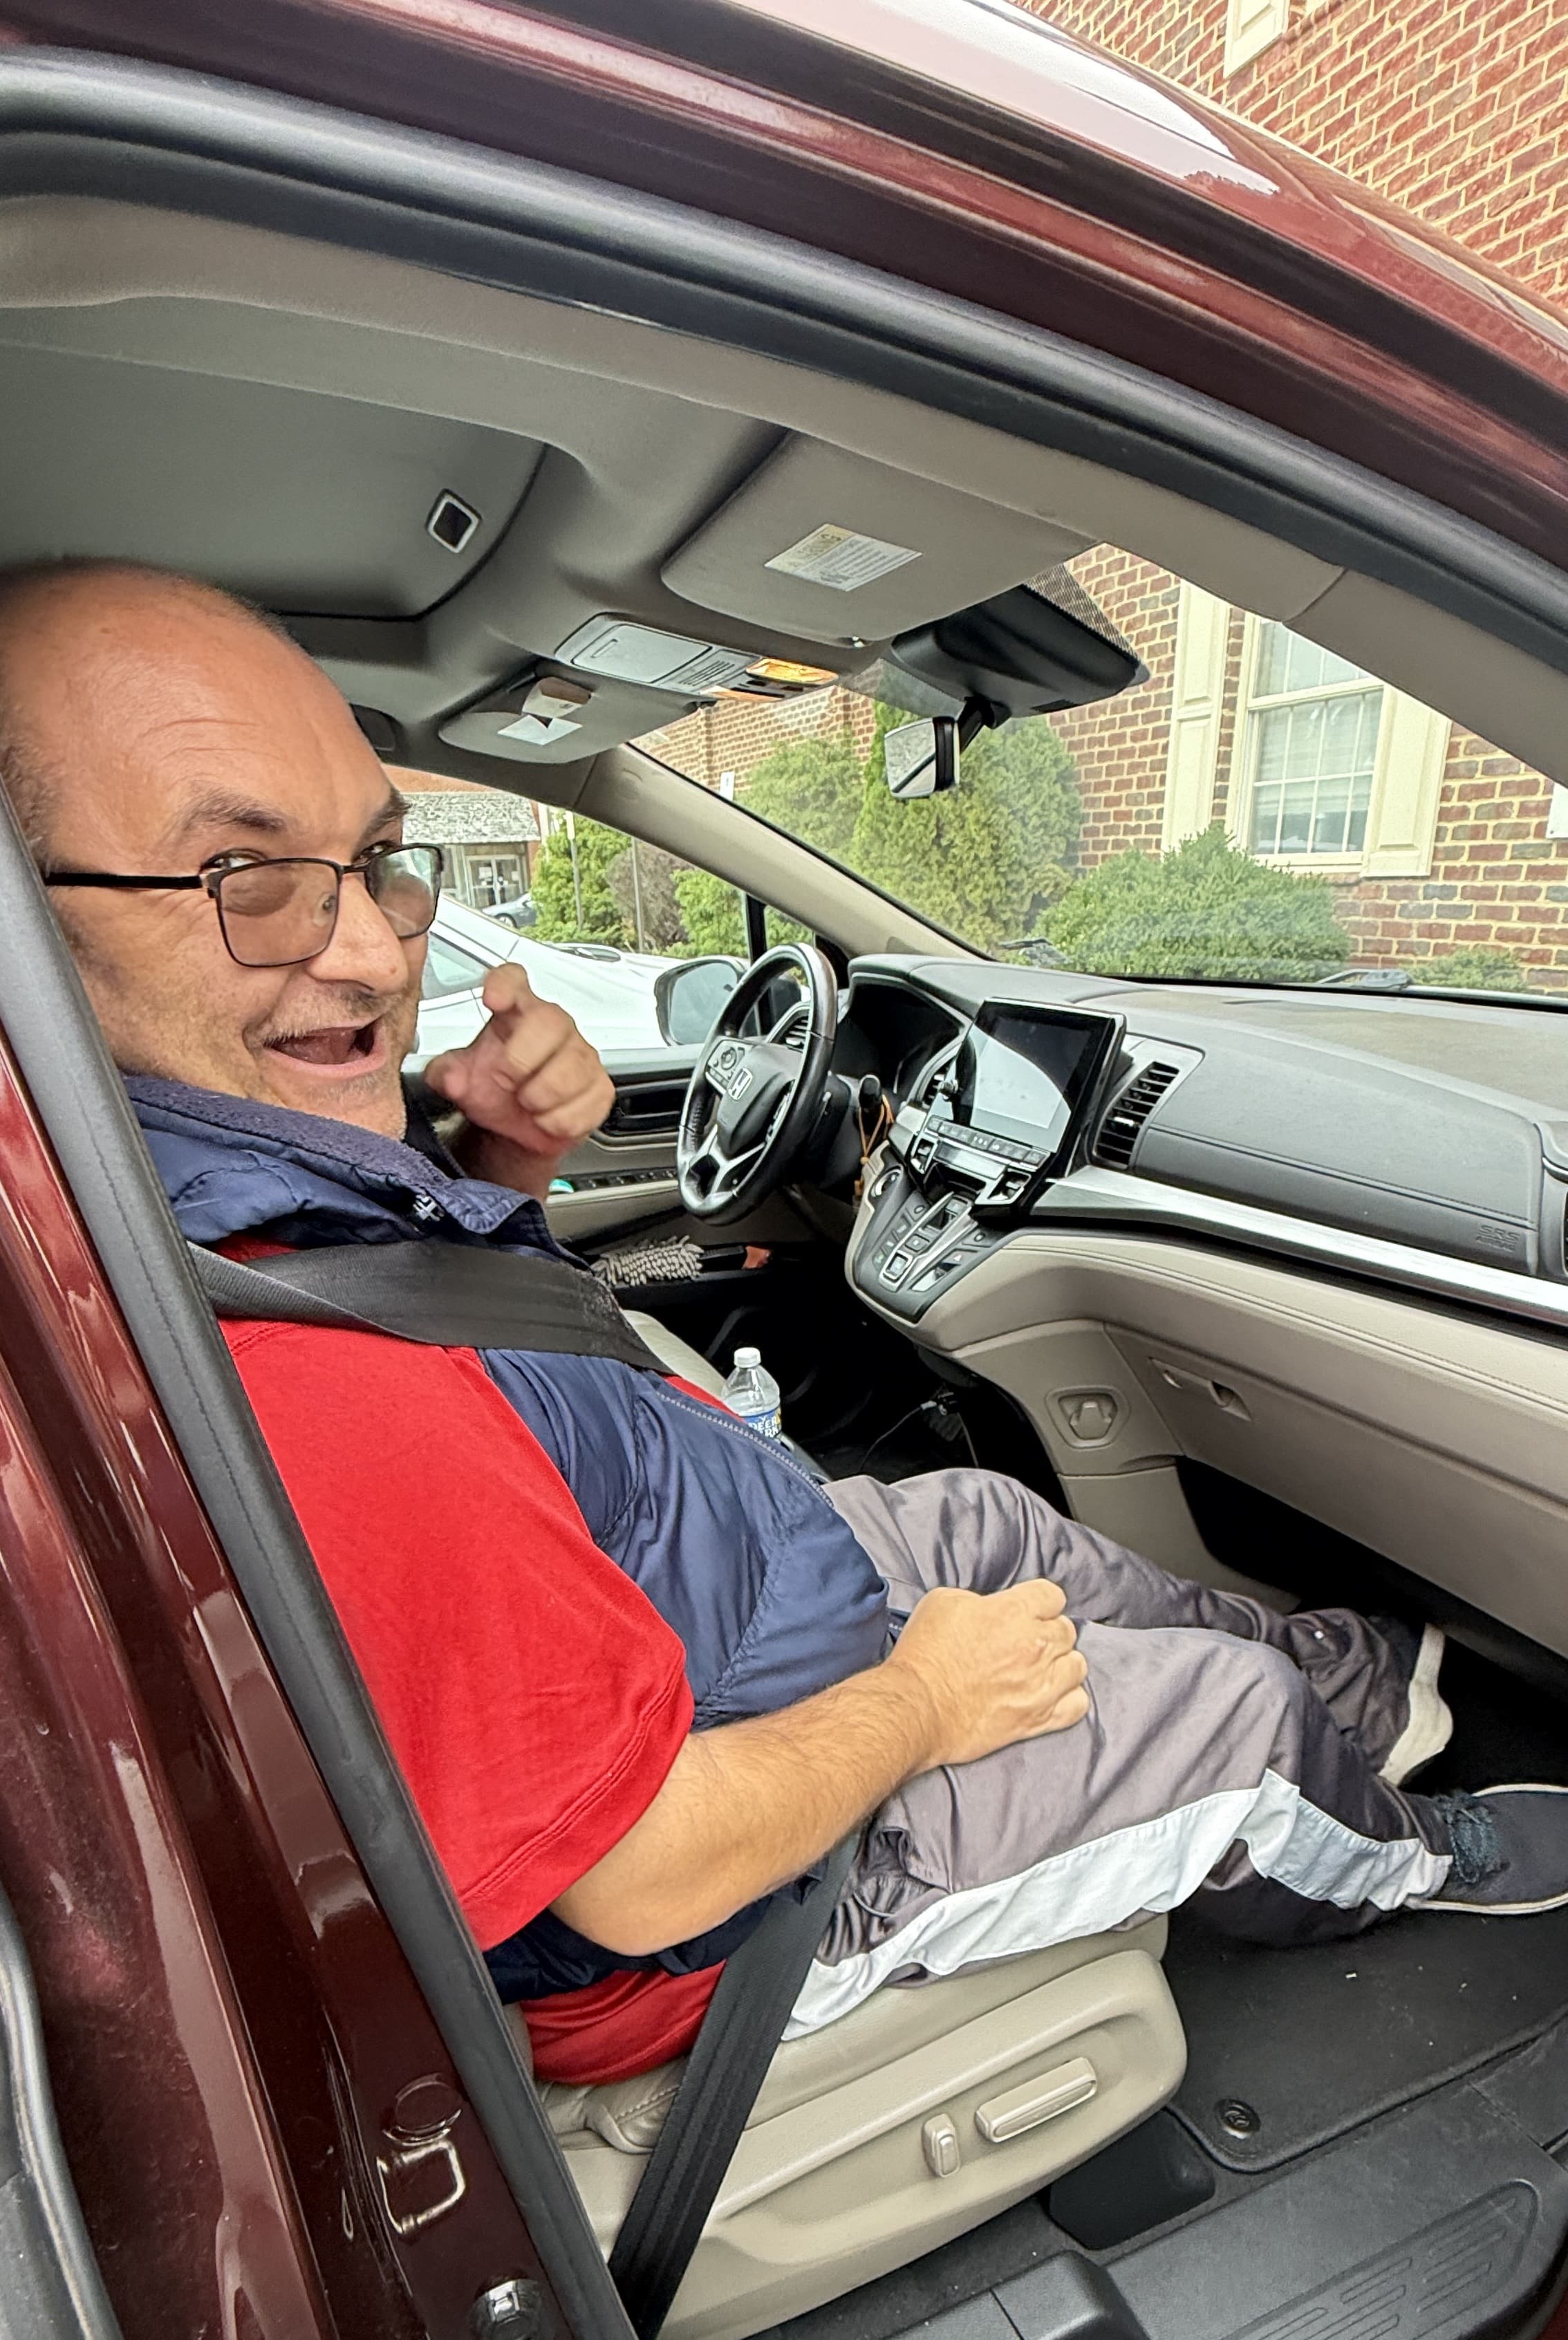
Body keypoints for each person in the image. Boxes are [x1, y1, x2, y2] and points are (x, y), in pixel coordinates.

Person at [0, 559, 1560, 2089]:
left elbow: (454, 1343)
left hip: (715, 1613)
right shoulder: (309, 1393)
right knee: (1228, 1724)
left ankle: (1349, 1686)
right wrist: (930, 1702)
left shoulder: (200, 1200)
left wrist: (498, 1167)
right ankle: (1396, 1848)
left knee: (982, 1515)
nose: (367, 947)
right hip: (736, 1908)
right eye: (246, 878)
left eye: (378, 860)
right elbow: (644, 1879)